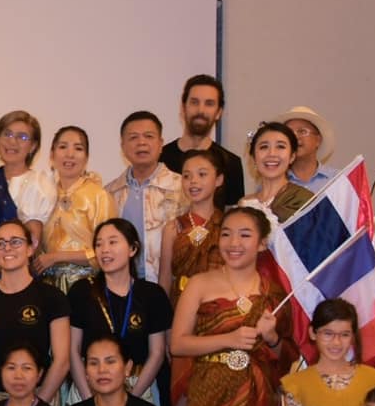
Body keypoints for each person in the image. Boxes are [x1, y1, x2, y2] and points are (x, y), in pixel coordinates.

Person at [169, 206, 290, 406]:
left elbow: (286, 355)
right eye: (226, 234)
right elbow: (178, 344)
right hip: (210, 392)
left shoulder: (273, 291)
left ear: (261, 243)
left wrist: (272, 337)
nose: (234, 243)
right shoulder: (199, 283)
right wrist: (228, 339)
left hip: (256, 395)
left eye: (245, 235)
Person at [0, 220, 69, 399]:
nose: (7, 248)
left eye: (15, 242)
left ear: (30, 248)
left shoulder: (52, 297)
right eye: (0, 243)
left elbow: (62, 361)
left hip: (38, 398)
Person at [70, 218, 173, 406]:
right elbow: (73, 350)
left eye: (112, 242)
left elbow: (157, 353)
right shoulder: (82, 291)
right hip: (90, 388)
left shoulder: (152, 294)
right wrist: (90, 402)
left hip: (140, 389)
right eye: (99, 244)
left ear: (133, 248)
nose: (105, 250)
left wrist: (130, 401)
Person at [107, 112, 184, 285]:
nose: (141, 142)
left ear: (161, 144)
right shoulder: (110, 193)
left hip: (169, 285)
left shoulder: (181, 188)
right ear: (123, 146)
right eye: (133, 137)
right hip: (123, 285)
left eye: (149, 136)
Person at [32, 126, 110, 292]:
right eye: (63, 147)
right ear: (52, 155)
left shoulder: (99, 195)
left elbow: (106, 251)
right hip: (48, 286)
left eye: (78, 148)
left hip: (86, 286)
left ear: (86, 157)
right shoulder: (43, 195)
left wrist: (56, 257)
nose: (70, 154)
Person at [157, 74, 244, 207]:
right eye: (194, 102)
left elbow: (233, 216)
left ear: (219, 112)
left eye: (209, 104)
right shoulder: (160, 159)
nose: (200, 110)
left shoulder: (231, 163)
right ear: (183, 108)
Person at [0, 110, 56, 263]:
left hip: (17, 267)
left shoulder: (38, 184)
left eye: (22, 137)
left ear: (33, 146)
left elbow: (32, 244)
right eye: (7, 134)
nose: (12, 142)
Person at [157, 149, 226, 302]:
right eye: (187, 176)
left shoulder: (227, 226)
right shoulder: (174, 228)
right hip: (181, 303)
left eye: (202, 174)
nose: (193, 181)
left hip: (217, 305)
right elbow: (165, 278)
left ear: (219, 179)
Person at [240, 121, 315, 224]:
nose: (272, 154)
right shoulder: (244, 203)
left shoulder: (304, 200)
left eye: (280, 146)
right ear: (253, 157)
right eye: (264, 147)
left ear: (292, 156)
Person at [282, 106, 337, 191]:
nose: (295, 137)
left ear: (318, 140)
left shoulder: (337, 180)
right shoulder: (274, 183)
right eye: (289, 133)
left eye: (302, 131)